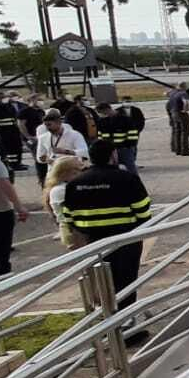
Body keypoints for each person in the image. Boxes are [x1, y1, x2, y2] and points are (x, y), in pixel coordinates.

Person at [63, 141, 151, 331]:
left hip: (93, 241)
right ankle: (127, 321)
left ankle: (108, 319)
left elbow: (69, 216)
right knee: (126, 279)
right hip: (125, 237)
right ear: (113, 155)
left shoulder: (75, 183)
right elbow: (143, 211)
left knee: (103, 281)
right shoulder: (126, 178)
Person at [35, 109, 88, 185]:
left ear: (59, 123)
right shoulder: (43, 137)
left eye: (49, 125)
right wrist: (48, 160)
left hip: (73, 172)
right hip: (54, 173)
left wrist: (66, 151)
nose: (47, 128)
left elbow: (85, 152)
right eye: (46, 125)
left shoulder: (74, 135)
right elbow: (39, 157)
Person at [0, 92, 26, 171]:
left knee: (17, 147)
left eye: (4, 97)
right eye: (2, 97)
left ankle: (18, 163)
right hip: (3, 132)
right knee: (9, 149)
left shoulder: (9, 106)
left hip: (14, 130)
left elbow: (15, 117)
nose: (4, 99)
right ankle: (13, 165)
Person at [167, 83, 189, 156]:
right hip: (181, 113)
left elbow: (168, 103)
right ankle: (184, 150)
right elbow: (186, 102)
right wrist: (185, 110)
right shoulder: (183, 93)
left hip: (173, 112)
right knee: (185, 132)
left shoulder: (173, 93)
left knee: (177, 131)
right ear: (184, 87)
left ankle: (177, 149)